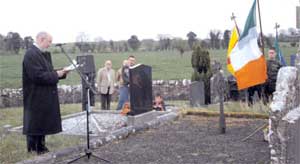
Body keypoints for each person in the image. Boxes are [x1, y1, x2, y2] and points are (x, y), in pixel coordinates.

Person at [22, 32, 69, 154]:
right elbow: (37, 76)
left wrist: (61, 73)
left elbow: (46, 71)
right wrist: (56, 74)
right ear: (42, 39)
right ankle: (35, 148)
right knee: (35, 122)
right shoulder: (31, 54)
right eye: (49, 41)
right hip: (35, 95)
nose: (50, 44)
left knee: (40, 121)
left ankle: (39, 146)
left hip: (41, 94)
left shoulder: (39, 54)